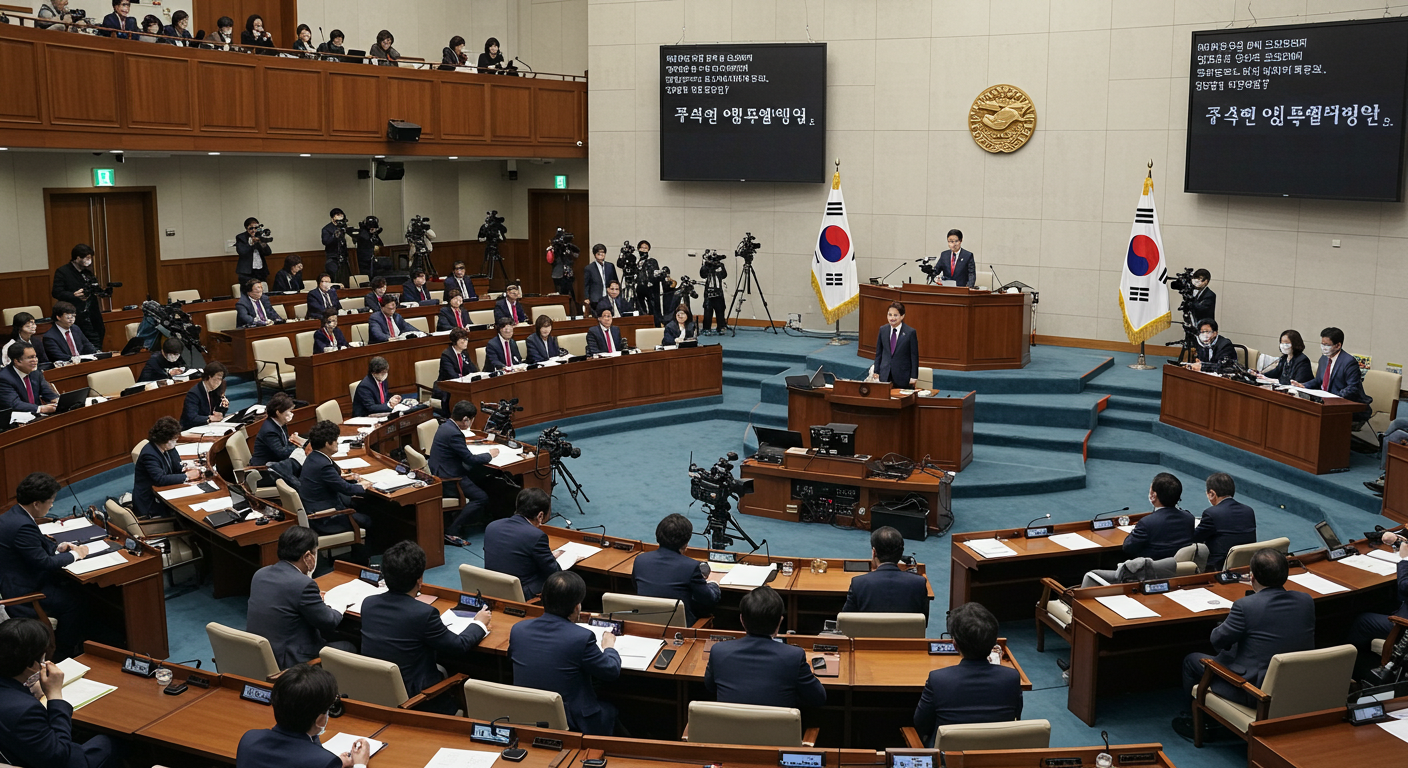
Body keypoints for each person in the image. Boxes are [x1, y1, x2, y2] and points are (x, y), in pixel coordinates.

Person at [1173, 549, 1314, 738]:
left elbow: (1218, 640)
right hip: (1298, 684)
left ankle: (1196, 721)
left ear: (1252, 577)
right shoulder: (1306, 600)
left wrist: (1225, 623)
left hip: (1255, 691)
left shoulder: (1245, 606)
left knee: (1191, 660)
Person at [361, 541, 490, 712]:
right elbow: (458, 645)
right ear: (419, 579)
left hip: (374, 691)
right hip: (416, 699)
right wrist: (479, 623)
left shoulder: (368, 604)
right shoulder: (423, 614)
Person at [0, 617, 122, 767]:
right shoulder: (25, 710)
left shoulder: (17, 698)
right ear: (31, 666)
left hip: (19, 751)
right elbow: (61, 755)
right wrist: (55, 695)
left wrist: (29, 691)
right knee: (112, 740)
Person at [508, 571, 619, 734]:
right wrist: (609, 647)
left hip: (526, 716)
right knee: (613, 707)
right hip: (572, 722)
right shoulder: (581, 637)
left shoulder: (518, 629)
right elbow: (611, 671)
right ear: (577, 606)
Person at [0, 474, 90, 659]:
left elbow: (35, 544)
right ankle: (63, 654)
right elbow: (45, 563)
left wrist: (58, 548)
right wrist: (75, 554)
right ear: (36, 503)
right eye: (50, 502)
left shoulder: (13, 515)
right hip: (23, 591)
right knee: (75, 602)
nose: (52, 506)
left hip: (16, 577)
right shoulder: (22, 526)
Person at [247, 527, 356, 669]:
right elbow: (328, 621)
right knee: (349, 646)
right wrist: (339, 605)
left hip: (261, 655)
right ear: (308, 556)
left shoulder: (260, 574)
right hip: (290, 661)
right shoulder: (303, 584)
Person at [913, 603, 1021, 745]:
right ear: (994, 644)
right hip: (995, 755)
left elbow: (921, 725)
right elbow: (1016, 717)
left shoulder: (938, 680)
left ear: (955, 645)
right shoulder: (1012, 678)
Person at [705, 585, 827, 708]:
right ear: (780, 621)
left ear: (742, 620)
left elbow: (710, 687)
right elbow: (818, 698)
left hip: (729, 727)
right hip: (778, 727)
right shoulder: (794, 656)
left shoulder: (718, 651)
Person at [234, 663, 369, 768]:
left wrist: (336, 762)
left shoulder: (249, 740)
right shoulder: (323, 762)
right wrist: (360, 764)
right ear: (320, 720)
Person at [431, 401, 499, 544]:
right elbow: (470, 459)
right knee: (481, 497)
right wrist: (490, 455)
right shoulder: (454, 434)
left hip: (441, 469)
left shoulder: (445, 426)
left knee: (480, 474)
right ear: (465, 419)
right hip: (449, 478)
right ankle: (452, 529)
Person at [632, 513, 719, 624]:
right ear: (686, 542)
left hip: (647, 626)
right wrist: (713, 585)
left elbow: (636, 587)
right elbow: (709, 599)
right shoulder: (691, 567)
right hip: (680, 630)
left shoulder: (640, 560)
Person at [1346, 530, 1408, 678]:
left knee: (1363, 621)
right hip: (1404, 606)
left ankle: (1349, 662)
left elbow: (1405, 586)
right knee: (1381, 603)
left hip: (1404, 624)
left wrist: (1405, 559)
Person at [484, 487, 560, 599]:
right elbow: (554, 572)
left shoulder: (492, 526)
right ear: (540, 516)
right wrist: (551, 559)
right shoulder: (536, 536)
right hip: (521, 592)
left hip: (492, 588)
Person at [299, 421, 373, 536]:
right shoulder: (323, 465)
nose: (337, 442)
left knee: (361, 506)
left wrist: (347, 478)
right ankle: (365, 552)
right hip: (325, 518)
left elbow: (332, 480)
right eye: (335, 440)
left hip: (317, 507)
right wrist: (363, 485)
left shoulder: (314, 457)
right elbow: (346, 489)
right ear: (328, 444)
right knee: (369, 518)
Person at [842, 526, 930, 618]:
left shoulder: (859, 584)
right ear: (901, 553)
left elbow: (846, 622)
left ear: (874, 552)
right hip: (905, 632)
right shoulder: (919, 584)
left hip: (870, 633)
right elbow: (923, 623)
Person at [133, 416, 202, 518]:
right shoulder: (150, 454)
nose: (176, 441)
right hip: (150, 501)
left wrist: (185, 469)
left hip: (164, 491)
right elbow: (160, 478)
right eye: (174, 439)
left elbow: (177, 465)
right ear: (165, 439)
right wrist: (187, 476)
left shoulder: (168, 448)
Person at [1193, 473, 1256, 572]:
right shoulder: (1249, 511)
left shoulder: (1211, 513)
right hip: (1245, 566)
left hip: (1217, 568)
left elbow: (1194, 538)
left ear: (1212, 494)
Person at [1124, 473, 1196, 559]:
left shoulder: (1146, 523)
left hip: (1151, 570)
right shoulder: (1189, 518)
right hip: (1181, 570)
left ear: (1153, 496)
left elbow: (1128, 547)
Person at [51, 243, 105, 348]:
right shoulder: (63, 271)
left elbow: (94, 288)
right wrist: (73, 295)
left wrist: (102, 291)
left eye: (90, 258)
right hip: (76, 314)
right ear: (77, 258)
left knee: (98, 335)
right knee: (84, 343)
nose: (89, 260)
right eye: (87, 258)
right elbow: (56, 292)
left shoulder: (88, 272)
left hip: (92, 313)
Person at [1314, 327, 1371, 404]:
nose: (1323, 348)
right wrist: (1303, 386)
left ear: (1338, 345)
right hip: (1325, 402)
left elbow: (1352, 388)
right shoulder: (1324, 358)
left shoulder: (1349, 362)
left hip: (1346, 405)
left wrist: (1332, 398)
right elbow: (1318, 381)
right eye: (1322, 344)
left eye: (1327, 345)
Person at [0, 342, 59, 415]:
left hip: (37, 417)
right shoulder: (4, 378)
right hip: (17, 420)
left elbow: (48, 393)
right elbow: (14, 404)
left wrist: (57, 401)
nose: (35, 360)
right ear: (17, 361)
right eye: (30, 357)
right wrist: (41, 409)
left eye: (35, 356)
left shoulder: (36, 373)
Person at [251, 393, 307, 467]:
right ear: (278, 412)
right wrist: (300, 447)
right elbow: (282, 453)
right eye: (289, 411)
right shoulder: (269, 430)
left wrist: (296, 442)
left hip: (276, 461)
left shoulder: (281, 423)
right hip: (263, 466)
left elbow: (286, 443)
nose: (291, 413)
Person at [871, 301, 918, 387]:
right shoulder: (883, 330)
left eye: (895, 315)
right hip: (885, 374)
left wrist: (914, 376)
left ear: (902, 316)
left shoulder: (910, 332)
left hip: (902, 376)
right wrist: (876, 371)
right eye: (890, 315)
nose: (892, 318)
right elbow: (879, 353)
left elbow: (914, 356)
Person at [180, 361, 229, 429]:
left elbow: (217, 411)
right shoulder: (194, 394)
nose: (219, 382)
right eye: (218, 378)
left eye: (221, 379)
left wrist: (222, 409)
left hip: (208, 427)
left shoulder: (217, 390)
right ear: (209, 376)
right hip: (191, 428)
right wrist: (210, 418)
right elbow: (191, 417)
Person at [437, 329, 477, 399]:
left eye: (466, 339)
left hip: (463, 385)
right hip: (447, 388)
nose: (466, 342)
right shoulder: (447, 355)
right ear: (455, 342)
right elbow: (452, 375)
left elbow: (473, 369)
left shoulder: (465, 352)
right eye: (463, 341)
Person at [235, 217, 272, 286]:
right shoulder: (241, 237)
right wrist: (252, 243)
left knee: (261, 291)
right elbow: (242, 252)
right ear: (246, 228)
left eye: (256, 228)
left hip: (260, 270)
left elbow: (268, 252)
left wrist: (262, 243)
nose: (254, 230)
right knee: (247, 291)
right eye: (251, 228)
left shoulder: (260, 236)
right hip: (247, 272)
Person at [699, 254, 728, 334]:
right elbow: (702, 275)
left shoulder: (720, 265)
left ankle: (721, 327)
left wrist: (719, 267)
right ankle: (706, 328)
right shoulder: (706, 266)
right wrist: (706, 265)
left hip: (718, 292)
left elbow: (724, 275)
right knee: (708, 311)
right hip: (709, 292)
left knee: (720, 310)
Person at [635, 240, 662, 321]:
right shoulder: (637, 263)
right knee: (641, 310)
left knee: (653, 311)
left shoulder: (652, 261)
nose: (643, 250)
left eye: (645, 248)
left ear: (648, 250)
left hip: (651, 291)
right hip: (640, 290)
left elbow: (656, 276)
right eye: (641, 248)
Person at [321, 209, 350, 278]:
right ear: (332, 218)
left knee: (347, 276)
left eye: (341, 215)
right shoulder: (327, 229)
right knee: (335, 275)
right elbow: (325, 242)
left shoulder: (344, 227)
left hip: (345, 257)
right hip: (333, 257)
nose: (340, 216)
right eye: (337, 215)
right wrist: (334, 236)